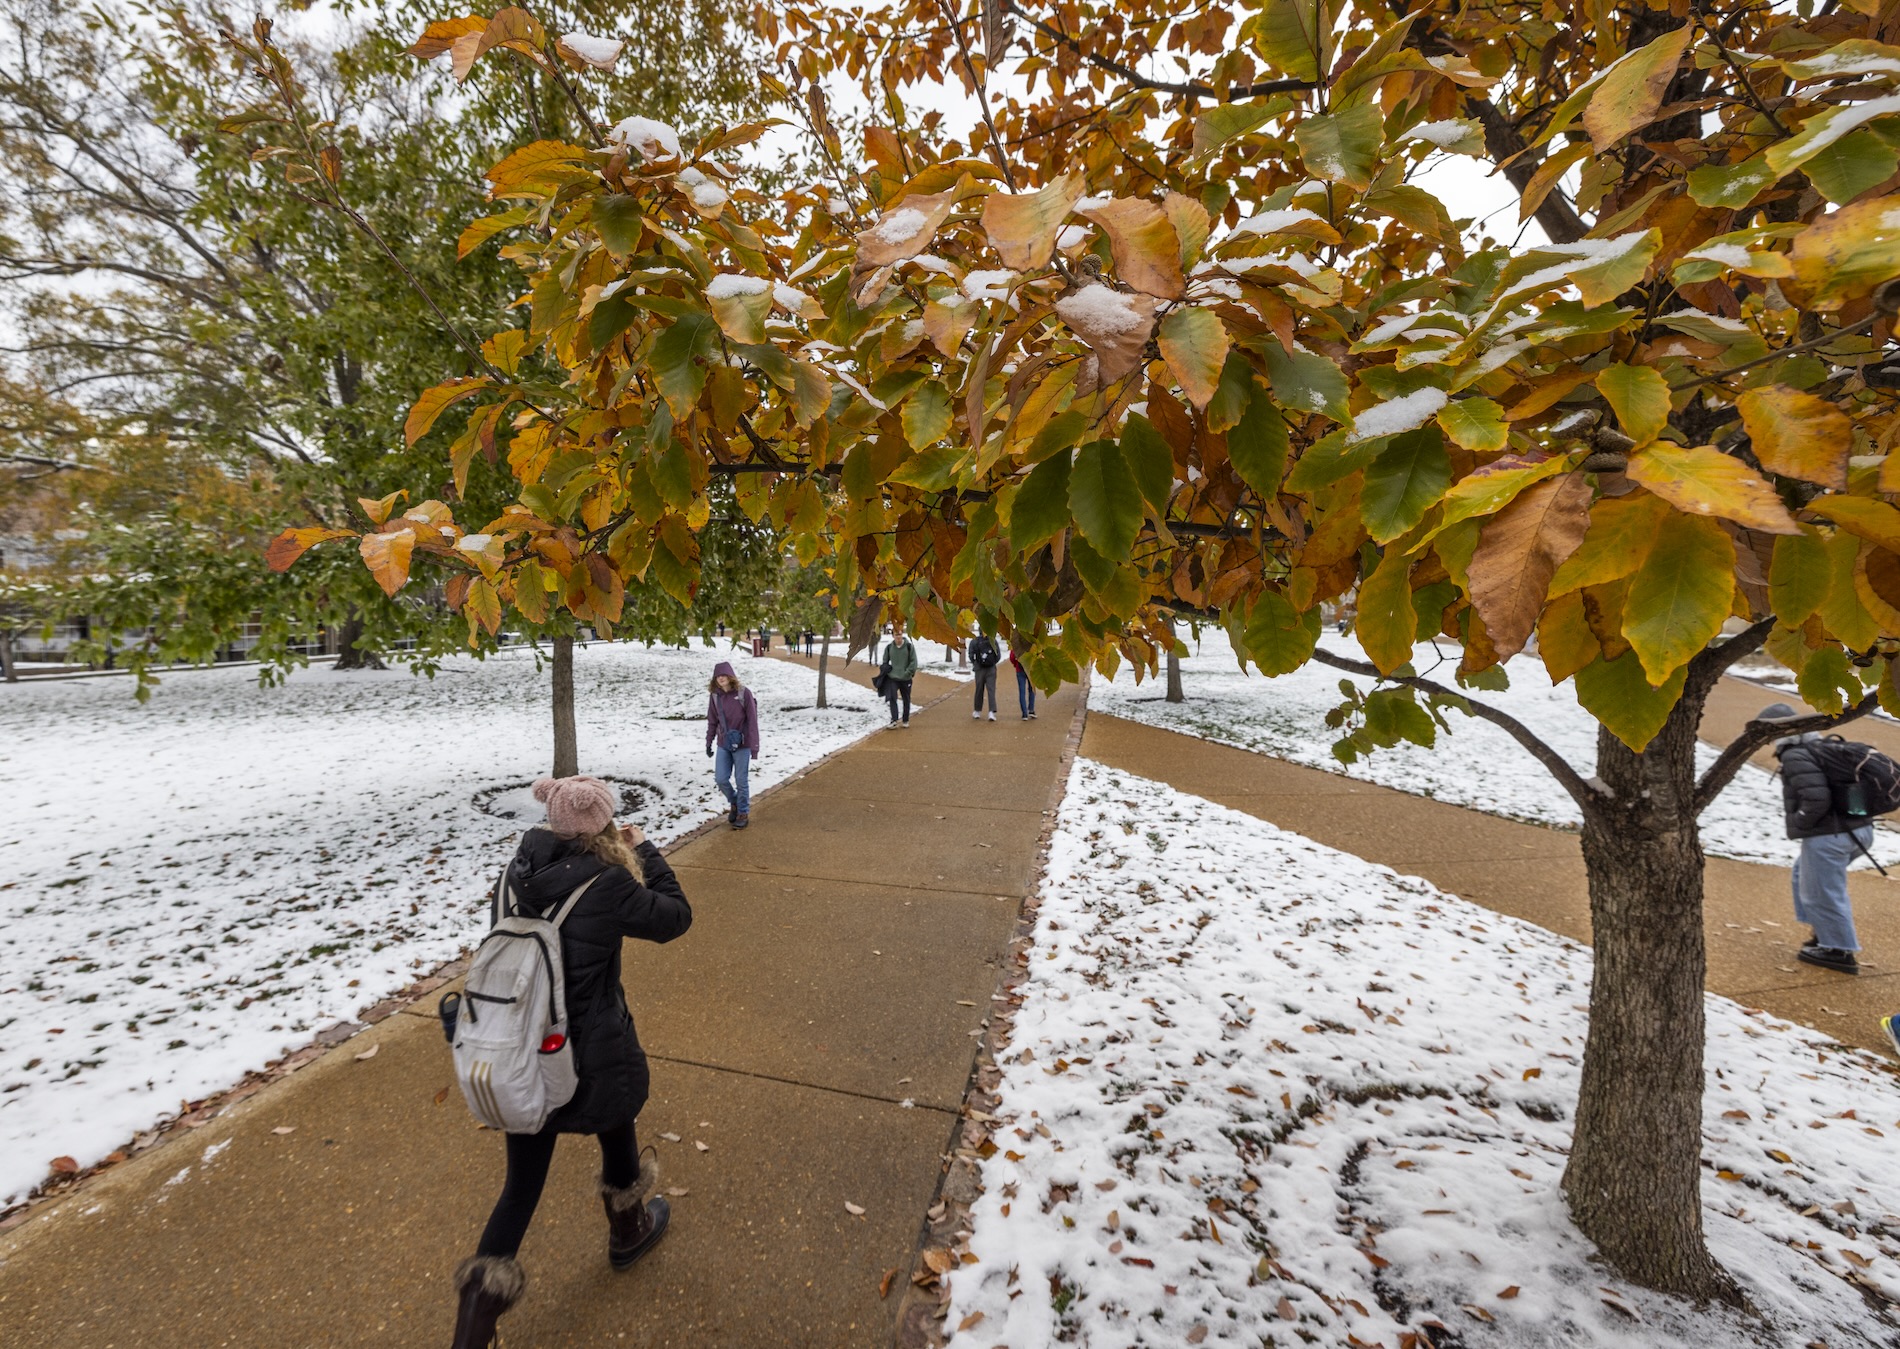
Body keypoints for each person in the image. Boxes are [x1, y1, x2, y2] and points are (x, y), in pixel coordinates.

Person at [451, 774, 691, 1348]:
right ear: (606, 826)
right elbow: (675, 918)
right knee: (615, 1124)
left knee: (520, 1186)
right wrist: (646, 852)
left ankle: (473, 1325)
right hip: (592, 1052)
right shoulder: (608, 882)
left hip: (523, 1056)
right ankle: (627, 1229)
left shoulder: (517, 872)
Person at [1761, 703, 1871, 974]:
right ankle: (1824, 933)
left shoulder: (1795, 754)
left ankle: (1838, 951)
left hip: (1830, 836)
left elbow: (1817, 799)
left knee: (1823, 893)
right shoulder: (1819, 748)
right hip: (1859, 831)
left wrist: (1799, 824)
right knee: (1803, 875)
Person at [706, 661, 760, 829]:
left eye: (723, 675)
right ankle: (735, 801)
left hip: (742, 744)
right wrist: (709, 742)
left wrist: (754, 747)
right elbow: (712, 721)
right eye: (718, 676)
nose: (721, 678)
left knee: (741, 780)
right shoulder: (715, 696)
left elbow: (752, 721)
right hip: (724, 743)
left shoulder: (744, 694)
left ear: (730, 676)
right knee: (721, 778)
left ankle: (743, 812)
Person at [880, 623, 919, 727]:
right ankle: (894, 720)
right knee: (892, 697)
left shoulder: (909, 647)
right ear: (893, 636)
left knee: (906, 699)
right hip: (893, 677)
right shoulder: (889, 648)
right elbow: (885, 661)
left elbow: (914, 662)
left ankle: (905, 720)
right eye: (896, 635)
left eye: (900, 634)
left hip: (906, 679)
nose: (898, 637)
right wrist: (887, 670)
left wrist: (908, 672)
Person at [969, 630, 1001, 721]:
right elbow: (998, 655)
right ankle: (991, 711)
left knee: (979, 689)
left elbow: (971, 654)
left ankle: (977, 710)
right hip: (991, 669)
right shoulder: (993, 641)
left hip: (979, 669)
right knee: (991, 690)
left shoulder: (975, 641)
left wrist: (976, 663)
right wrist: (992, 663)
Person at [1009, 641, 1036, 721]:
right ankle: (1031, 709)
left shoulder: (1017, 644)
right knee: (1032, 690)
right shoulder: (1032, 643)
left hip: (1020, 669)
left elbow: (1012, 657)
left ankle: (1024, 713)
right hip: (1030, 669)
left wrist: (1016, 664)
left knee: (1022, 691)